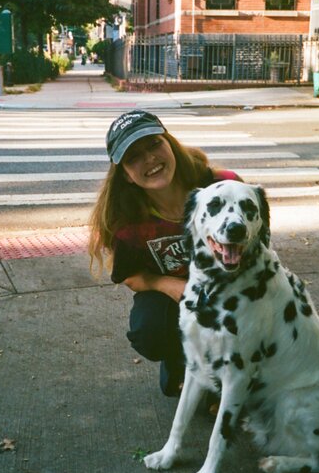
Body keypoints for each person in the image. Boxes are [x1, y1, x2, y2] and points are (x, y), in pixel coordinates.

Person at [88, 111, 241, 397]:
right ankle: (181, 360)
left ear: (170, 143)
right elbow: (131, 276)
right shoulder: (128, 222)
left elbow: (256, 240)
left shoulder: (221, 185)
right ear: (126, 175)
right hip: (179, 298)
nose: (149, 159)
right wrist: (170, 286)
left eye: (154, 145)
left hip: (234, 286)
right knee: (150, 329)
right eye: (134, 157)